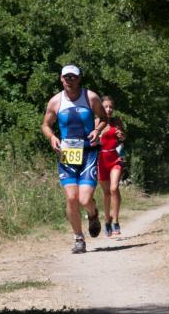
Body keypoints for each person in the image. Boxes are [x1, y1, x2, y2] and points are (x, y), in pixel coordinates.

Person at [42, 64, 108, 254]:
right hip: (67, 153)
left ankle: (93, 214)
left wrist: (97, 130)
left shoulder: (91, 97)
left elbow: (104, 118)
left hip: (88, 152)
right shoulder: (55, 101)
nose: (69, 80)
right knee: (71, 197)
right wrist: (52, 137)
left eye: (73, 77)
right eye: (66, 77)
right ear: (61, 79)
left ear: (79, 79)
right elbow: (46, 125)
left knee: (85, 199)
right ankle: (79, 238)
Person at [97, 96, 126, 237]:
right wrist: (101, 133)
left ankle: (116, 221)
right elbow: (90, 141)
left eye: (111, 107)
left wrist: (121, 135)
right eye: (106, 107)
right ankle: (107, 220)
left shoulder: (116, 121)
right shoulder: (96, 122)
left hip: (115, 159)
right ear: (101, 108)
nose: (108, 109)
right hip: (101, 161)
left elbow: (123, 139)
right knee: (107, 193)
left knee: (114, 188)